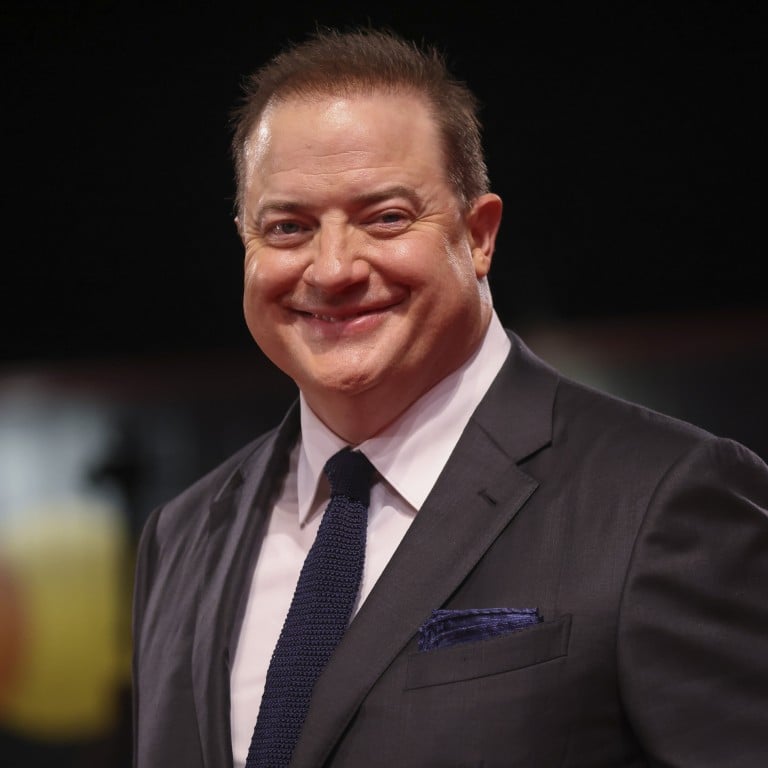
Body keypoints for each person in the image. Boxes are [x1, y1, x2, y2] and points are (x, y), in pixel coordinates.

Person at [131, 25, 768, 768]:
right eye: (289, 227)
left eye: (386, 218)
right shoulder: (179, 537)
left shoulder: (666, 499)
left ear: (479, 234)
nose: (332, 267)